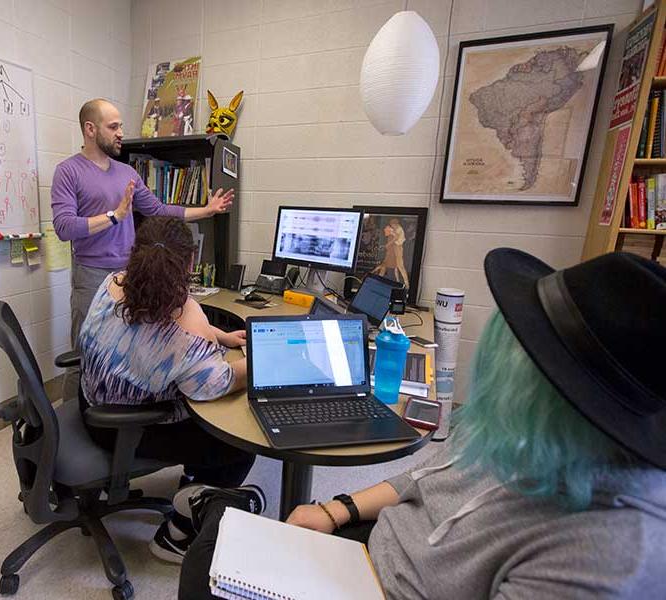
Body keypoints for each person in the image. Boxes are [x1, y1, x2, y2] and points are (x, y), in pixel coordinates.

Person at [178, 249, 666, 599]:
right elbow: (427, 476)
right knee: (218, 541)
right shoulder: (528, 433)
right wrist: (335, 509)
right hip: (366, 550)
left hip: (376, 584)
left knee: (207, 571)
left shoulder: (610, 560)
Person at [77, 216, 255, 564]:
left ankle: (191, 483)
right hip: (127, 427)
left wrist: (218, 336)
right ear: (190, 263)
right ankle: (177, 533)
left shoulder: (112, 282)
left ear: (135, 253)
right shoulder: (184, 329)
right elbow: (216, 383)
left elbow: (152, 331)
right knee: (237, 443)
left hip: (91, 402)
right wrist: (266, 360)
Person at [51, 98, 234, 347]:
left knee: (126, 347)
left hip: (129, 274)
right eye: (113, 127)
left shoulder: (127, 173)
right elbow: (65, 228)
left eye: (121, 127)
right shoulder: (68, 171)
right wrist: (114, 216)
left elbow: (158, 210)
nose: (121, 134)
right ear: (90, 129)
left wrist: (206, 210)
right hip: (91, 276)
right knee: (86, 351)